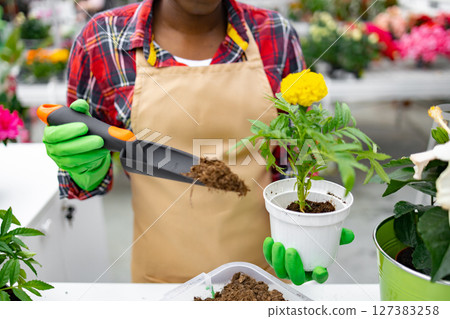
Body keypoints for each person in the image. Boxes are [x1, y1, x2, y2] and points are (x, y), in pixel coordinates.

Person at [43, 0, 353, 284]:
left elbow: (294, 161)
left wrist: (307, 230)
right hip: (162, 283)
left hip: (267, 276)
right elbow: (82, 183)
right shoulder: (103, 38)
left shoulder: (274, 33)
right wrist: (86, 169)